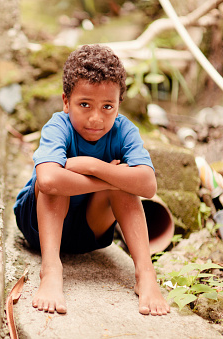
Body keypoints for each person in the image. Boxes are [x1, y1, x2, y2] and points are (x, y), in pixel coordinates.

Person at [13, 44, 170, 316]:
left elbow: (147, 185)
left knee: (125, 186)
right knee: (61, 180)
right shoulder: (58, 126)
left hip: (88, 232)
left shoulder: (124, 131)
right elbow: (49, 180)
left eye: (108, 106)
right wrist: (111, 177)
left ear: (119, 105)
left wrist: (92, 166)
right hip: (39, 229)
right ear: (66, 101)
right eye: (84, 104)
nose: (96, 118)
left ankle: (145, 275)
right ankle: (51, 271)